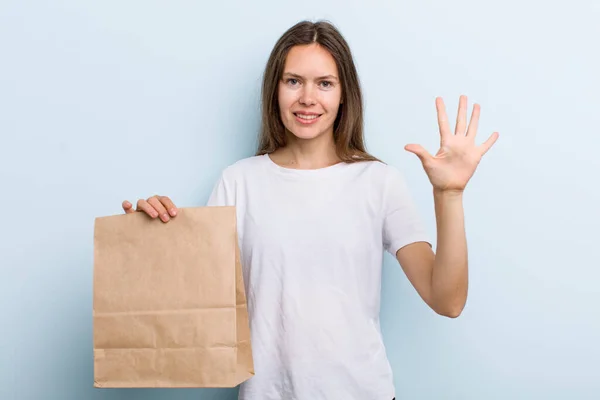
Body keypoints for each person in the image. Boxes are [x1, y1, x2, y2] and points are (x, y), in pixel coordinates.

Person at [122, 20, 498, 400]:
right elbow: (193, 306)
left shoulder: (378, 182)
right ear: (275, 91)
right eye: (293, 81)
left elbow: (447, 300)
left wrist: (449, 195)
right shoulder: (239, 182)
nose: (307, 97)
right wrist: (150, 238)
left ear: (343, 94)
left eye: (324, 83)